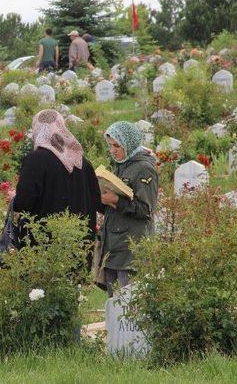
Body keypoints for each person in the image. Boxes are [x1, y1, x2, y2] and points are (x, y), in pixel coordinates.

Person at [13, 109, 100, 254]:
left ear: (37, 129)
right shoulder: (82, 161)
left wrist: (13, 199)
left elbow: (23, 203)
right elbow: (96, 199)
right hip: (80, 243)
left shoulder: (35, 161)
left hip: (44, 246)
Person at [99, 121, 158, 297]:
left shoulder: (143, 168)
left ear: (129, 144)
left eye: (117, 146)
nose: (113, 151)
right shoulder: (123, 165)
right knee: (114, 305)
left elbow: (146, 210)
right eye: (110, 146)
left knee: (129, 308)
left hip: (131, 250)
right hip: (114, 247)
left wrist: (116, 200)